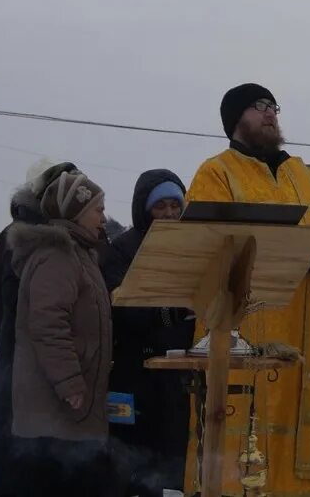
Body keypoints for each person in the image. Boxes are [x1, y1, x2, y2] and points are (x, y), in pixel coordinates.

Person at [183, 83, 310, 497]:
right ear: (235, 120)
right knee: (249, 429)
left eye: (272, 106)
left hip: (307, 330)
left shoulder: (303, 174)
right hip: (250, 329)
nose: (269, 114)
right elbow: (210, 239)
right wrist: (300, 248)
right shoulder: (217, 172)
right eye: (257, 107)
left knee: (303, 419)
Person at [6, 171, 114, 497]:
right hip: (54, 415)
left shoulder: (80, 255)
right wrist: (69, 382)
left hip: (69, 418)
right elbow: (48, 323)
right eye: (98, 209)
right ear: (76, 213)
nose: (103, 217)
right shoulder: (57, 256)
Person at [0, 160, 79, 496]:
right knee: (24, 469)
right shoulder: (17, 239)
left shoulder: (81, 237)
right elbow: (9, 308)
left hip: (65, 381)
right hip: (24, 373)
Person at [101, 169, 195, 497]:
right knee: (134, 472)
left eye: (175, 205)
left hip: (179, 380)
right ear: (144, 209)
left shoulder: (191, 248)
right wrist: (172, 313)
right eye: (160, 206)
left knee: (176, 469)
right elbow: (123, 307)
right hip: (134, 377)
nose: (169, 213)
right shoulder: (122, 251)